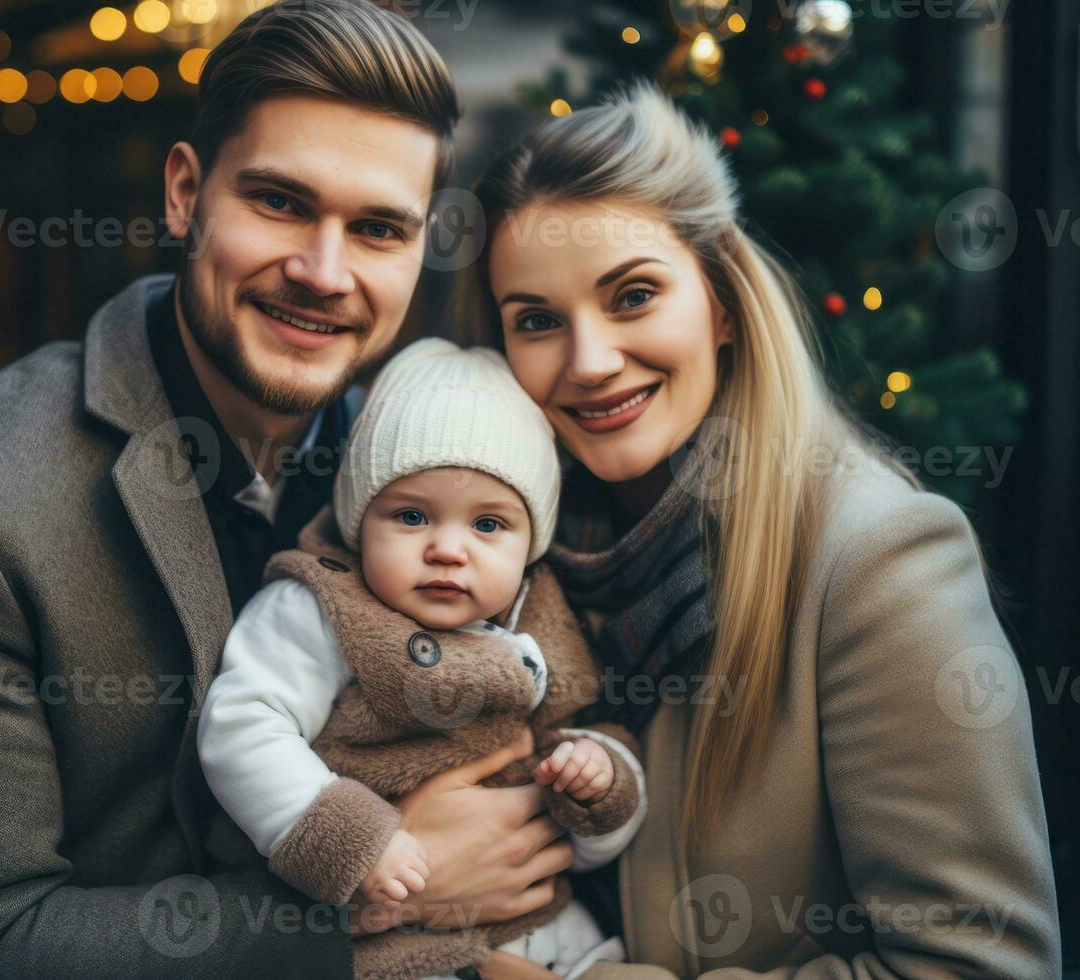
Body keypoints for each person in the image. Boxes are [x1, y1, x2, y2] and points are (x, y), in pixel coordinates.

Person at [0, 3, 575, 976]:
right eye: (280, 203)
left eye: (378, 227)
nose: (322, 270)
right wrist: (381, 904)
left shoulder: (430, 465)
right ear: (185, 194)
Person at [454, 80, 1062, 978]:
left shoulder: (877, 560)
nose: (588, 362)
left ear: (723, 303)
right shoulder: (496, 560)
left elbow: (981, 967)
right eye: (538, 321)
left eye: (632, 296)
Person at [198, 338, 647, 979]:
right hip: (396, 939)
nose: (447, 549)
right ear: (359, 523)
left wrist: (600, 786)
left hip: (544, 927)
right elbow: (242, 722)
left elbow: (582, 760)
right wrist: (350, 842)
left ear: (530, 545)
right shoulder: (321, 606)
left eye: (488, 525)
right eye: (411, 516)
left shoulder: (538, 619)